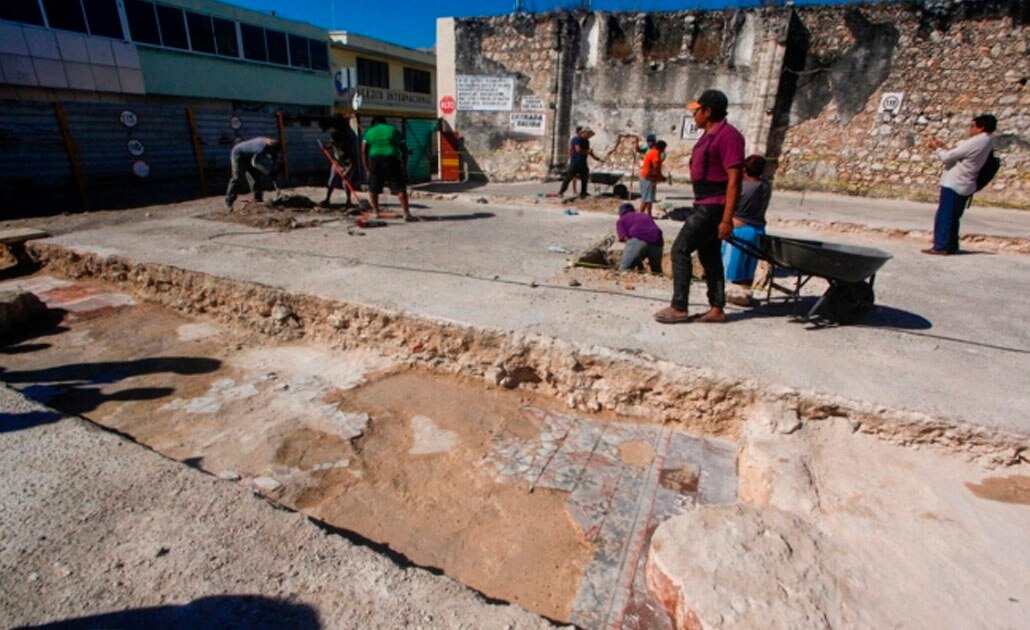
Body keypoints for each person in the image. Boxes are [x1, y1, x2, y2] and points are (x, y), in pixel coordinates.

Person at [654, 89, 744, 324]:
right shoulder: (708, 136)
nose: (694, 115)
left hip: (713, 205)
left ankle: (679, 306)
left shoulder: (728, 136)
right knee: (710, 255)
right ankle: (717, 308)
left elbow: (735, 180)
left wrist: (727, 219)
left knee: (680, 250)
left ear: (708, 111)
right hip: (703, 201)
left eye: (697, 111)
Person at [924, 114, 996, 255]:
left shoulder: (976, 141)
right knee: (954, 216)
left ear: (981, 128)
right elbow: (960, 155)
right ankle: (951, 245)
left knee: (945, 215)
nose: (970, 129)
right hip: (967, 182)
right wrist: (944, 147)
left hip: (955, 181)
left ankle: (941, 246)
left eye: (973, 126)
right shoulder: (987, 141)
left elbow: (947, 157)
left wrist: (936, 148)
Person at [722, 154, 771, 306]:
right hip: (757, 230)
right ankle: (746, 293)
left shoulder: (742, 187)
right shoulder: (766, 186)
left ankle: (732, 294)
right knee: (749, 266)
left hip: (739, 229)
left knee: (732, 266)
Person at [361, 116, 413, 221]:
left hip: (375, 160)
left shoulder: (369, 132)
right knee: (400, 187)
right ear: (385, 122)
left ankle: (376, 212)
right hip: (392, 158)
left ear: (374, 123)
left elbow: (363, 151)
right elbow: (405, 151)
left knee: (373, 188)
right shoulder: (394, 130)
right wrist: (404, 167)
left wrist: (367, 168)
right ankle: (406, 213)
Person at [224, 137, 280, 209]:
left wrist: (273, 168)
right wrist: (268, 172)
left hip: (250, 156)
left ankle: (257, 200)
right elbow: (255, 163)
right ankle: (228, 202)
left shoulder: (271, 144)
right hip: (238, 155)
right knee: (237, 178)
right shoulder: (261, 148)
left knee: (255, 177)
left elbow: (272, 159)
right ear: (270, 148)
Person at [615, 202, 664, 273]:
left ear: (620, 214)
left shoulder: (621, 220)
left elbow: (626, 239)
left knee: (624, 269)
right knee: (656, 271)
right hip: (658, 240)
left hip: (639, 237)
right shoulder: (644, 215)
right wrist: (638, 262)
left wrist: (635, 260)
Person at [558, 126, 602, 199]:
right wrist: (587, 152)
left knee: (585, 177)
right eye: (588, 134)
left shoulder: (587, 141)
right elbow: (578, 150)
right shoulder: (577, 139)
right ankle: (561, 192)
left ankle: (583, 192)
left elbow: (589, 152)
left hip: (583, 162)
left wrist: (597, 158)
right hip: (575, 162)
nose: (589, 136)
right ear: (583, 133)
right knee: (569, 177)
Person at [320, 130, 354, 209]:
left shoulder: (348, 148)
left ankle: (348, 201)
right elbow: (328, 146)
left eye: (337, 142)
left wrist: (347, 172)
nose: (335, 144)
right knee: (331, 181)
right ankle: (327, 199)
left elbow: (352, 163)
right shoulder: (333, 143)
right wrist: (324, 147)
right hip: (337, 164)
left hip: (347, 166)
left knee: (345, 183)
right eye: (334, 142)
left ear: (341, 141)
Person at [639, 140, 667, 216]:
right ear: (661, 148)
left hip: (648, 178)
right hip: (647, 178)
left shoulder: (652, 151)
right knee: (645, 199)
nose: (664, 150)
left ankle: (649, 215)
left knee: (649, 199)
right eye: (664, 148)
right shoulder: (655, 154)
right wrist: (661, 178)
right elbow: (656, 168)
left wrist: (659, 178)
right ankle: (640, 216)